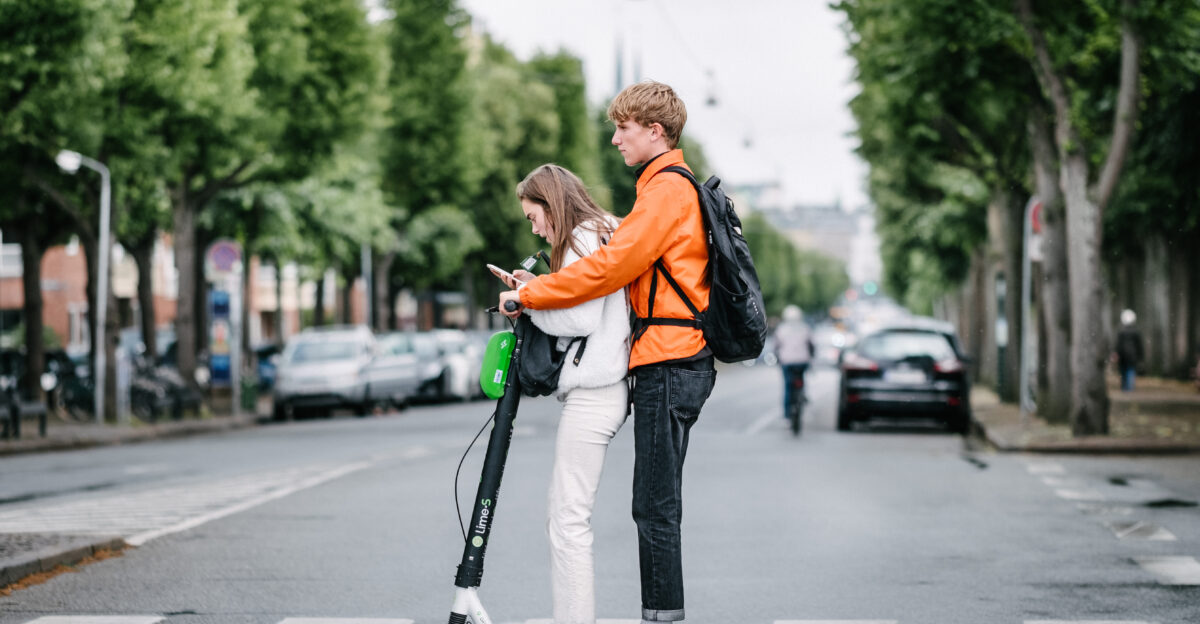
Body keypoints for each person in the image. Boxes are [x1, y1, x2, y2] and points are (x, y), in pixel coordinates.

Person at [500, 80, 715, 624]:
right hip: (665, 359)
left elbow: (605, 271)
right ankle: (658, 614)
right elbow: (612, 259)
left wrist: (529, 294)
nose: (616, 139)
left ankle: (660, 617)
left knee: (655, 508)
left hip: (671, 357)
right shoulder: (654, 193)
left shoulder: (666, 190)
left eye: (623, 128)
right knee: (652, 505)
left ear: (655, 130)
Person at [508, 164, 630, 624]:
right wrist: (535, 290)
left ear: (551, 203)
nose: (534, 226)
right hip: (610, 387)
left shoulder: (581, 237)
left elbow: (579, 320)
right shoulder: (608, 229)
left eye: (532, 215)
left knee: (567, 520)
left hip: (595, 390)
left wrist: (526, 303)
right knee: (569, 516)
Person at [773, 305, 813, 418]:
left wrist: (777, 358)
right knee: (801, 379)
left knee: (788, 387)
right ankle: (802, 394)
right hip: (802, 361)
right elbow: (811, 345)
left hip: (787, 362)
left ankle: (787, 415)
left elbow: (776, 346)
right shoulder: (805, 328)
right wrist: (811, 356)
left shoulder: (781, 329)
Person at [1115, 309, 1144, 391]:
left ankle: (1124, 388)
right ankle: (1130, 388)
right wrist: (1141, 357)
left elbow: (1118, 345)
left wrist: (1116, 353)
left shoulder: (1121, 331)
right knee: (1130, 371)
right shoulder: (1136, 332)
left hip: (1122, 355)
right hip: (1132, 356)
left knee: (1123, 372)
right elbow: (1139, 346)